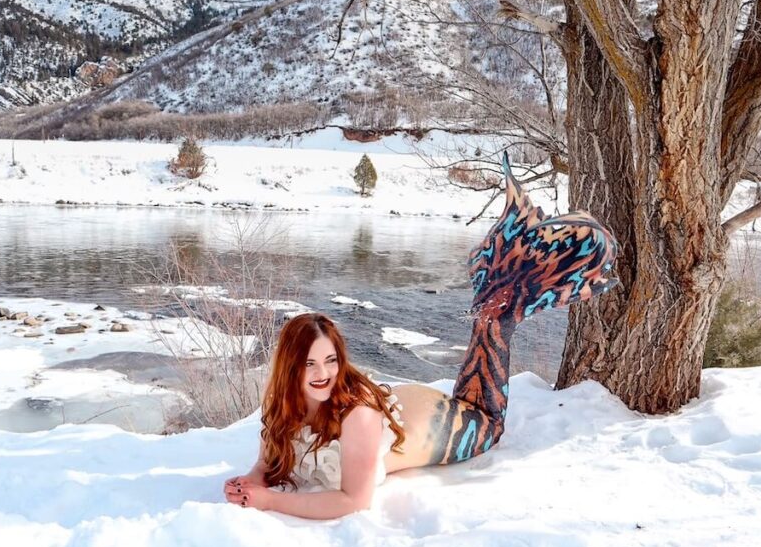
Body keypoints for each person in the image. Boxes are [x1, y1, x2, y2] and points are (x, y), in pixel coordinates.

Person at [224, 153, 619, 519]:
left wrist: (270, 500)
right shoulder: (282, 404)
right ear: (289, 367)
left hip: (443, 424)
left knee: (489, 376)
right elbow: (270, 460)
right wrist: (252, 481)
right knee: (487, 317)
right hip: (405, 404)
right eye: (309, 363)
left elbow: (354, 501)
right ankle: (503, 292)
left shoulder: (356, 419)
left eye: (330, 360)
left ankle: (517, 289)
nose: (323, 373)